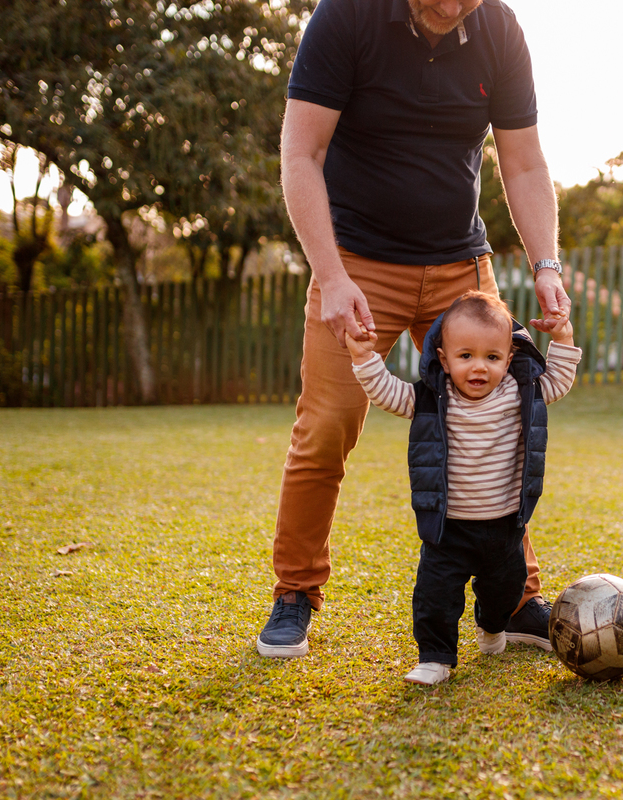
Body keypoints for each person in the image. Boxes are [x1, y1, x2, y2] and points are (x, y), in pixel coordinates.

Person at [257, 0, 571, 658]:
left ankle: (515, 599)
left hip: (461, 266)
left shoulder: (499, 29)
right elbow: (301, 153)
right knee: (327, 426)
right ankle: (295, 592)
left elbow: (523, 162)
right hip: (358, 265)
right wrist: (333, 276)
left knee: (504, 417)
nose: (452, 4)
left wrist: (546, 264)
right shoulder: (346, 17)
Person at [344, 291, 580, 684]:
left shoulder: (518, 395)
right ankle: (435, 657)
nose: (478, 367)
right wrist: (363, 357)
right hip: (448, 528)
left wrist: (564, 337)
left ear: (508, 358)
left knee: (504, 591)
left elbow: (559, 380)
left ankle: (492, 627)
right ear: (443, 358)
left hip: (505, 526)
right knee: (435, 596)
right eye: (465, 355)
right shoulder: (433, 399)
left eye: (492, 357)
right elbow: (386, 391)